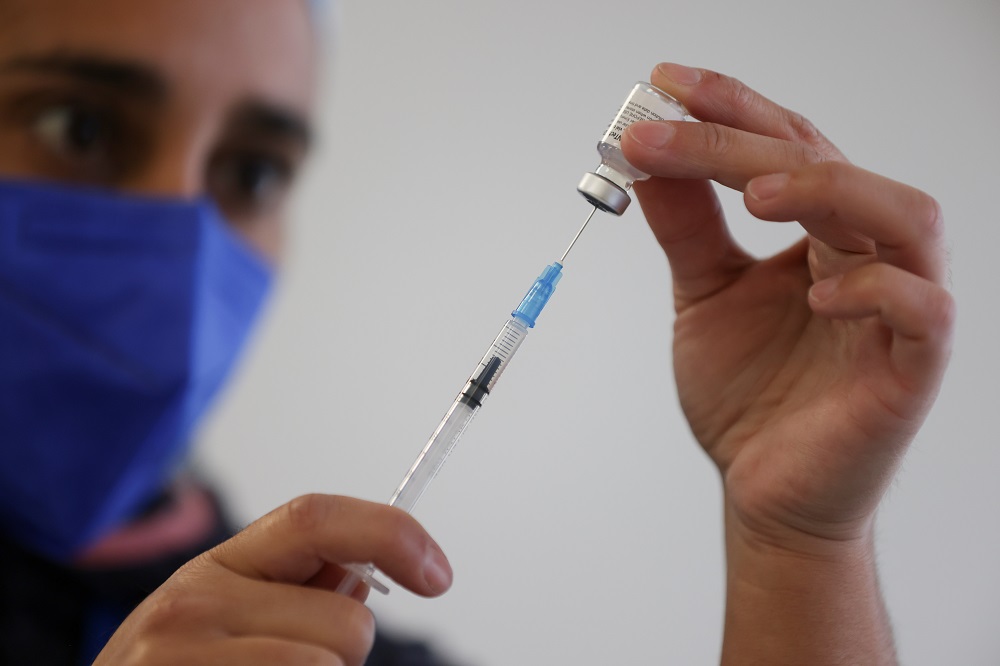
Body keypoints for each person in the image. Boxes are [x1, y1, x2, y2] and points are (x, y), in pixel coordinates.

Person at [0, 2, 953, 666]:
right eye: (78, 126)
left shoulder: (319, 639)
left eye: (251, 171)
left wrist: (800, 550)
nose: (179, 236)